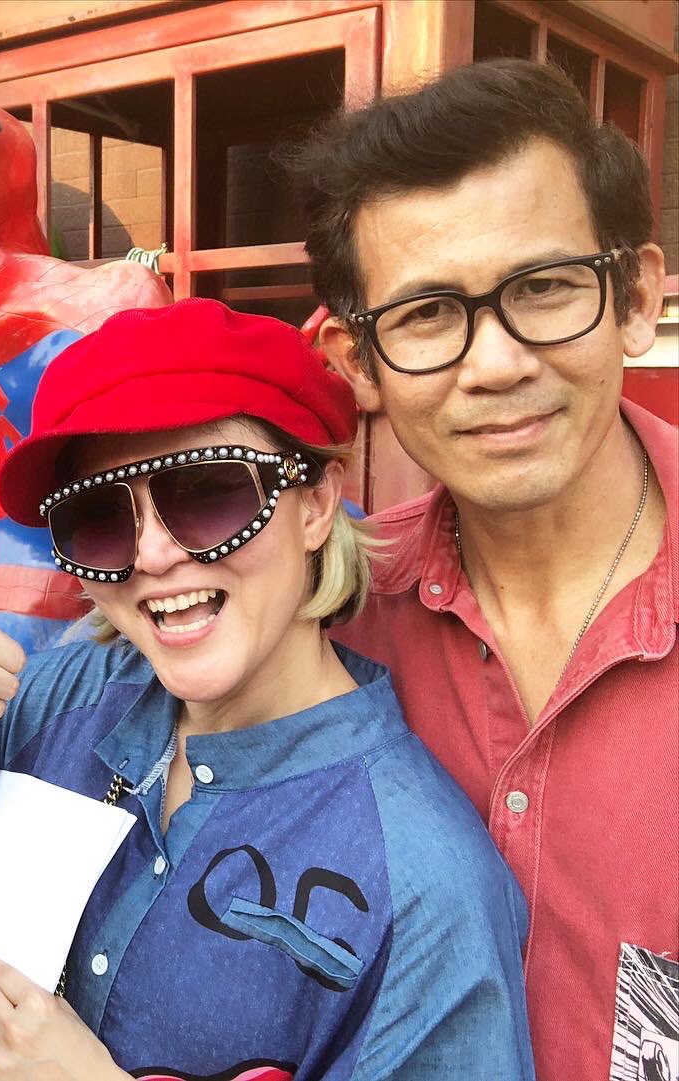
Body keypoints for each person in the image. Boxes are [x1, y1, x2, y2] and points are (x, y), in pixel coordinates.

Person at [0, 299, 534, 1080]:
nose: (154, 554)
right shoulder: (69, 695)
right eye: (100, 518)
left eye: (207, 493)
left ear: (316, 505)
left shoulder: (423, 884)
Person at [288, 59, 676, 1081]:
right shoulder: (323, 616)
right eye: (426, 314)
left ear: (635, 297)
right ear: (357, 364)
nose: (497, 364)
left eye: (543, 289)